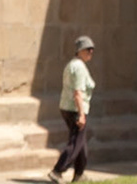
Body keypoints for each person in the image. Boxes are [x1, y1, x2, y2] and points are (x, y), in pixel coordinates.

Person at [48, 35, 96, 183]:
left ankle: (79, 174)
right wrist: (81, 114)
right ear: (80, 51)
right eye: (88, 49)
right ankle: (57, 171)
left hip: (67, 107)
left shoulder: (72, 65)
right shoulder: (79, 67)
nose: (91, 52)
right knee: (75, 143)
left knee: (81, 143)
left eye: (92, 49)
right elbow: (77, 93)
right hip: (76, 110)